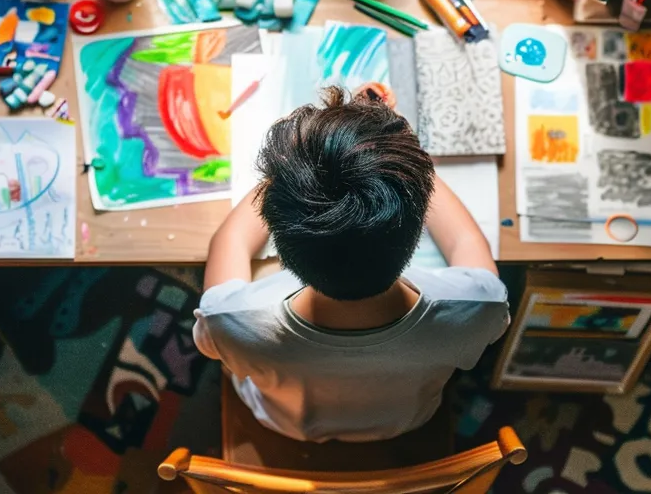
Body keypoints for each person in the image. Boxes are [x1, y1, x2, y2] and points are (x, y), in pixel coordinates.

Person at [194, 86, 508, 443]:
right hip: (404, 420)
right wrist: (398, 159)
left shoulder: (233, 319)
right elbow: (466, 241)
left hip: (287, 422)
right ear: (419, 220)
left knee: (254, 270)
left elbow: (230, 240)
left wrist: (291, 171)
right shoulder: (476, 306)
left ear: (281, 242)